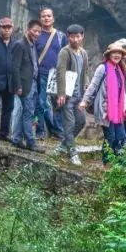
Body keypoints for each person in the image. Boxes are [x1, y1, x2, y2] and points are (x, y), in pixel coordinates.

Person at [79, 41, 126, 164]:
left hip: (118, 110)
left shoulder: (119, 69)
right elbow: (93, 85)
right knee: (110, 137)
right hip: (105, 109)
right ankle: (107, 164)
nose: (117, 55)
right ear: (109, 55)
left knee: (121, 137)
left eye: (119, 53)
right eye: (114, 53)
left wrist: (125, 105)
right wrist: (84, 101)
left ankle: (120, 164)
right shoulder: (103, 68)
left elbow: (122, 90)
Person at [53, 24, 91, 165]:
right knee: (69, 124)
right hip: (67, 95)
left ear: (82, 37)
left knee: (81, 121)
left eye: (78, 36)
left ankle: (63, 145)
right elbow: (60, 71)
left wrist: (86, 85)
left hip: (79, 95)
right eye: (73, 37)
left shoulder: (83, 53)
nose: (75, 39)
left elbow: (85, 72)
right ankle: (73, 153)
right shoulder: (65, 52)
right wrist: (61, 94)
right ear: (68, 37)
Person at [9, 19, 43, 151]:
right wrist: (17, 86)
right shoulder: (20, 45)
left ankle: (17, 139)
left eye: (39, 32)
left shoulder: (33, 45)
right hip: (24, 84)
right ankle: (30, 142)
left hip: (33, 83)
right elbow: (15, 67)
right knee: (28, 113)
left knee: (26, 112)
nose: (37, 34)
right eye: (35, 31)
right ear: (28, 29)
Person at [32, 7, 65, 140]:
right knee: (41, 103)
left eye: (49, 16)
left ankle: (57, 130)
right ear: (40, 19)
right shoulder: (36, 35)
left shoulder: (60, 36)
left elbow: (65, 54)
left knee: (58, 104)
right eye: (44, 16)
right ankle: (41, 131)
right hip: (42, 73)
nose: (46, 18)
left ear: (53, 18)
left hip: (57, 74)